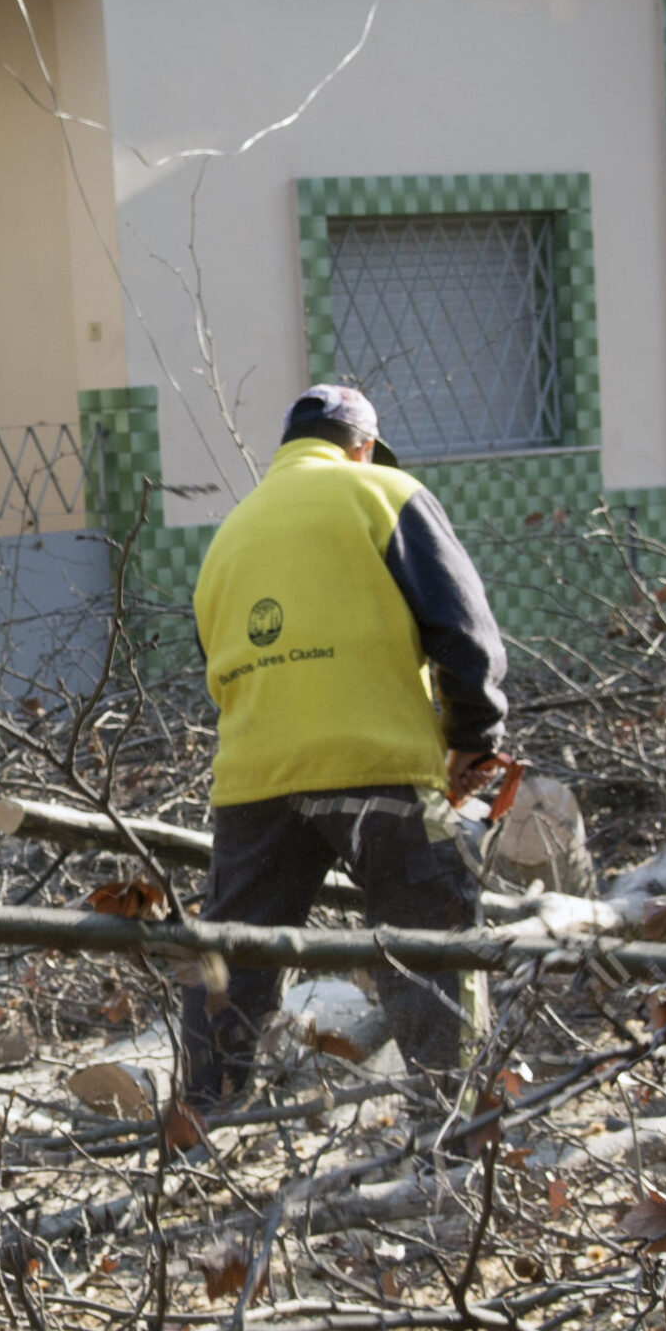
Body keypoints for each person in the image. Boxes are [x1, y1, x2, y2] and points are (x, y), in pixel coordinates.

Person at [182, 385, 508, 1108]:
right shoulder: (386, 491)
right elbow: (464, 630)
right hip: (380, 765)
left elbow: (213, 658)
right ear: (361, 445)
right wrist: (473, 740)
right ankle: (453, 1134)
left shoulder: (229, 534)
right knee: (430, 945)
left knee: (234, 967)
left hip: (254, 779)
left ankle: (202, 1128)